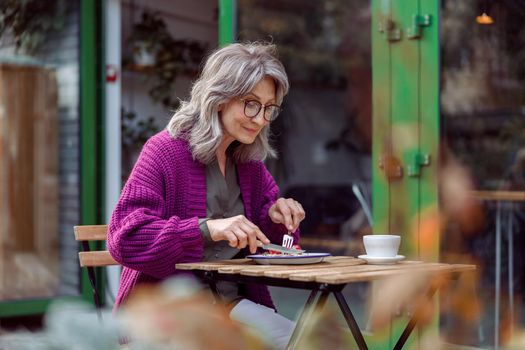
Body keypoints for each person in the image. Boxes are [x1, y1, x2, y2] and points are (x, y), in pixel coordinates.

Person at [108, 42, 305, 349]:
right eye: (251, 104)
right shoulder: (164, 152)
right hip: (170, 311)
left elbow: (275, 249)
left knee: (306, 342)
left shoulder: (250, 165)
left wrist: (278, 220)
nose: (260, 118)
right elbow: (124, 238)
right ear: (219, 98)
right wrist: (206, 229)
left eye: (269, 108)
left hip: (231, 307)